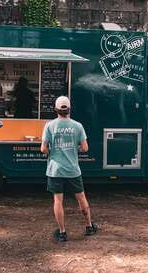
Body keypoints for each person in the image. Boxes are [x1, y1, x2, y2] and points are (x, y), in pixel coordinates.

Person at [40, 96, 98, 242]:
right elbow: (85, 148)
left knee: (58, 200)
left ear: (56, 109)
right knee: (81, 198)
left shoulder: (49, 125)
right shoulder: (77, 126)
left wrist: (54, 151)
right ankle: (89, 226)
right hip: (73, 169)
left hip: (55, 170)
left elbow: (43, 149)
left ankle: (62, 232)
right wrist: (73, 148)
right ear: (69, 109)